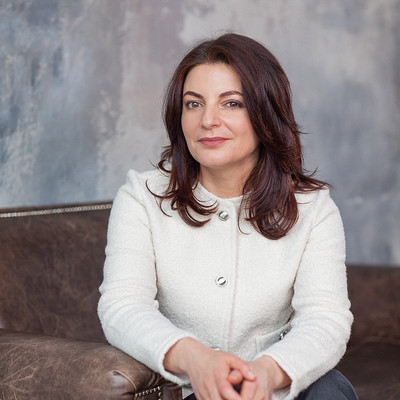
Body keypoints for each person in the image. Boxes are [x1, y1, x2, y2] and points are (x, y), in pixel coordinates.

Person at [98, 33, 358, 400]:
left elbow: (325, 319)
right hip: (188, 390)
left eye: (231, 103)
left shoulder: (313, 208)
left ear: (266, 113)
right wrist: (197, 361)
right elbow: (122, 307)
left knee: (329, 389)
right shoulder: (142, 197)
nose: (208, 120)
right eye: (193, 104)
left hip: (277, 390)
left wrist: (266, 373)